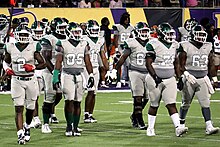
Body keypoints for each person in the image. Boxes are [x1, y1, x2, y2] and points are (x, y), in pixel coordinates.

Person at [3, 25, 46, 144]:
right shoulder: (10, 47)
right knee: (18, 107)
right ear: (16, 35)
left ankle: (27, 126)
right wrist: (7, 69)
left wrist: (33, 66)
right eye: (20, 34)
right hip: (16, 80)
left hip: (31, 79)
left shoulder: (33, 46)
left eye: (25, 35)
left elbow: (43, 63)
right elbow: (5, 61)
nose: (22, 37)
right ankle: (20, 133)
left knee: (30, 108)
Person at [145, 23, 188, 137]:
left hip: (170, 78)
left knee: (171, 104)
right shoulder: (153, 44)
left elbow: (176, 62)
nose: (170, 36)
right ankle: (150, 128)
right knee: (154, 104)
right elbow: (148, 63)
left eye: (171, 34)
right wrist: (155, 77)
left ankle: (178, 127)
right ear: (161, 34)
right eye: (168, 34)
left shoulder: (175, 45)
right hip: (154, 79)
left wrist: (179, 77)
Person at [53, 22, 94, 136]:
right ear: (69, 32)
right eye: (75, 31)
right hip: (67, 75)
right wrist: (56, 76)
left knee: (78, 102)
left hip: (80, 75)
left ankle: (75, 127)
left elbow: (87, 61)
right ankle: (69, 126)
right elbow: (59, 61)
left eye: (79, 31)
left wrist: (90, 75)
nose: (77, 34)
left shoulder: (84, 43)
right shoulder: (62, 43)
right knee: (69, 101)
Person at [177, 25, 219, 135]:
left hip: (203, 78)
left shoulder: (208, 46)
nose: (201, 37)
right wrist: (185, 74)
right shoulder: (185, 45)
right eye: (199, 34)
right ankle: (181, 125)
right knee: (186, 103)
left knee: (205, 103)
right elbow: (179, 64)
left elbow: (211, 64)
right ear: (192, 35)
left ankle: (209, 126)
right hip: (189, 78)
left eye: (202, 34)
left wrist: (214, 79)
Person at [115, 22, 150, 130]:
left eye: (146, 31)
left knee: (147, 98)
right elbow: (123, 57)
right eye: (142, 31)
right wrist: (115, 68)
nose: (144, 33)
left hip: (148, 72)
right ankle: (139, 120)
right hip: (135, 72)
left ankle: (134, 115)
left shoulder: (152, 43)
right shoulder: (131, 43)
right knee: (138, 98)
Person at [41, 17, 68, 133]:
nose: (63, 30)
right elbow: (45, 58)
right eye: (60, 27)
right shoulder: (48, 39)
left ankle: (51, 111)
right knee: (50, 96)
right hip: (50, 70)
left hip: (64, 71)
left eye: (64, 27)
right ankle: (45, 123)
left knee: (60, 95)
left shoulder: (67, 38)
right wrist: (54, 72)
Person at [83, 20, 109, 123]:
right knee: (89, 90)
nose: (94, 31)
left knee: (94, 92)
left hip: (95, 67)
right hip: (85, 67)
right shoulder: (84, 39)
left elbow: (103, 54)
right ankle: (86, 114)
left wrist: (108, 68)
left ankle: (90, 114)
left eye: (96, 30)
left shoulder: (101, 39)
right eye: (92, 29)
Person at [29, 21, 46, 128]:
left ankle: (51, 115)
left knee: (52, 95)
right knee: (34, 96)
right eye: (37, 32)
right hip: (35, 70)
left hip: (47, 70)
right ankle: (34, 118)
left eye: (40, 31)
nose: (39, 34)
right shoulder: (29, 42)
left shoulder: (48, 39)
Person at [112, 12, 134, 88]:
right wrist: (116, 48)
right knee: (119, 64)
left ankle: (127, 80)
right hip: (120, 46)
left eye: (128, 19)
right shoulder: (118, 27)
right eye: (125, 19)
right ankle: (118, 81)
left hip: (128, 47)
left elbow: (132, 38)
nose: (127, 21)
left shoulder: (131, 27)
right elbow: (116, 38)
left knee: (129, 65)